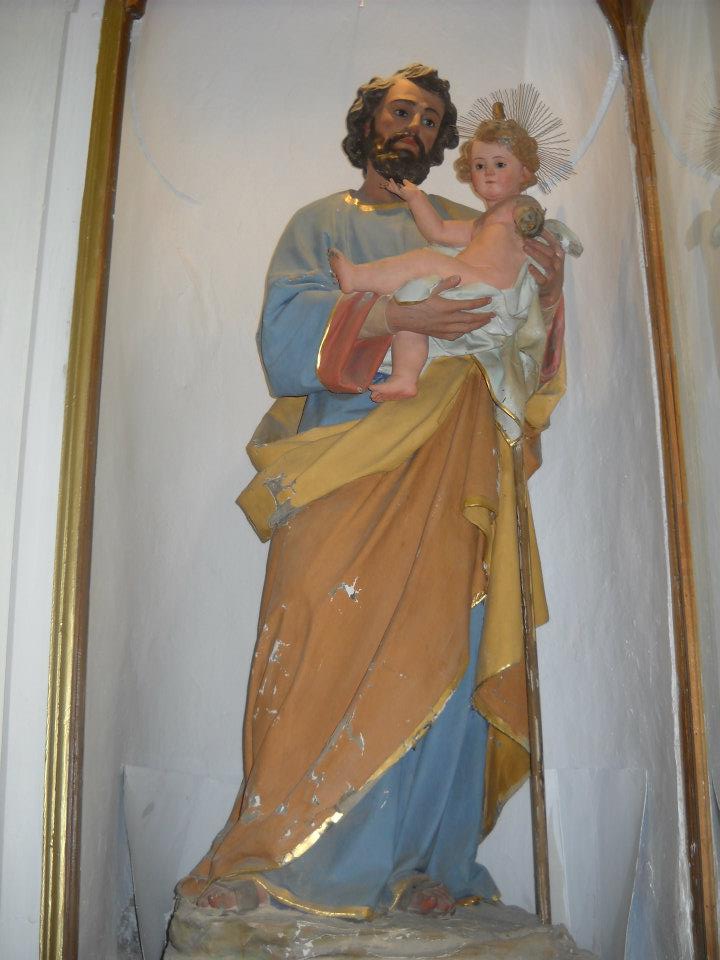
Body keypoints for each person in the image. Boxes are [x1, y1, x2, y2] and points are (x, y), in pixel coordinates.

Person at [173, 64, 567, 922]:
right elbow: (284, 338)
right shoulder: (321, 223)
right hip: (342, 462)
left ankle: (423, 861)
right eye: (400, 111)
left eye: (429, 119)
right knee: (314, 630)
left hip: (450, 463)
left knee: (441, 650)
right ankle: (272, 851)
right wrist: (395, 319)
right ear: (368, 123)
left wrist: (547, 290)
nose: (413, 128)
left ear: (446, 140)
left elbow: (526, 344)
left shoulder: (480, 223)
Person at [328, 110, 581, 406]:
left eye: (500, 164)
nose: (488, 172)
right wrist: (416, 198)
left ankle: (356, 277)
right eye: (479, 165)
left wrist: (529, 220)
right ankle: (405, 377)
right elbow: (438, 231)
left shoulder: (517, 205)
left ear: (524, 172)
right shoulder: (481, 224)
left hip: (492, 288)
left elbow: (530, 214)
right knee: (411, 303)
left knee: (425, 260)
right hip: (473, 287)